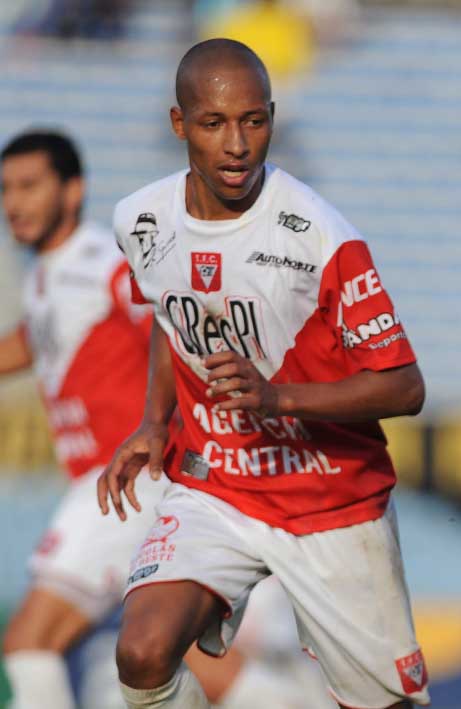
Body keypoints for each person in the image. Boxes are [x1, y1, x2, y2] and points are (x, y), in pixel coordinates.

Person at [98, 38, 429, 709]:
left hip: (331, 500)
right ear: (178, 123)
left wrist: (277, 396)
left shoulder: (319, 237)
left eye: (253, 120)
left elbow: (405, 385)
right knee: (141, 650)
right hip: (219, 483)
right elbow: (170, 316)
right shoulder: (139, 220)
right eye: (213, 123)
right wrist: (152, 423)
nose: (237, 144)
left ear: (273, 118)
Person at [0, 130, 311, 709]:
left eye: (29, 186)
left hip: (122, 478)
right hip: (130, 483)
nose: (14, 202)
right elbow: (31, 340)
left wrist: (174, 420)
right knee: (171, 649)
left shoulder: (96, 262)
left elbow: (169, 316)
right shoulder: (46, 276)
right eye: (6, 189)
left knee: (28, 641)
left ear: (73, 191)